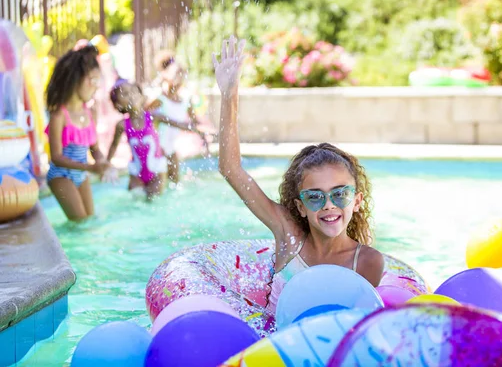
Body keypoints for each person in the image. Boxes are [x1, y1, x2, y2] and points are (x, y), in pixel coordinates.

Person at [213, 36, 384, 314]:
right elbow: (230, 168)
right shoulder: (289, 235)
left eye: (340, 193)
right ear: (300, 207)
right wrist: (229, 94)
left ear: (357, 200)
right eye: (315, 197)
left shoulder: (367, 262)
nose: (329, 204)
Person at [106, 79, 207, 199]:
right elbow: (113, 146)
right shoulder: (122, 125)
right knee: (135, 202)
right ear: (119, 105)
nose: (132, 94)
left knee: (153, 200)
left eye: (133, 90)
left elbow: (177, 123)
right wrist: (106, 165)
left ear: (140, 95)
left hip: (157, 169)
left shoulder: (152, 117)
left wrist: (198, 130)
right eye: (126, 94)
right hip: (136, 171)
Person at [45, 45, 110, 221]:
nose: (96, 87)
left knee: (90, 219)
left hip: (81, 174)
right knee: (80, 222)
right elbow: (56, 157)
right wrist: (90, 167)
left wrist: (102, 161)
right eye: (93, 81)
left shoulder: (90, 113)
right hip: (60, 175)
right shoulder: (59, 115)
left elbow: (94, 147)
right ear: (77, 79)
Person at [146, 51, 211, 184]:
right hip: (158, 148)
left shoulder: (186, 100)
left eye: (182, 74)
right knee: (160, 184)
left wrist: (204, 135)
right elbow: (144, 117)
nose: (179, 77)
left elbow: (195, 121)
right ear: (166, 75)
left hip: (171, 148)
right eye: (176, 74)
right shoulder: (159, 98)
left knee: (175, 182)